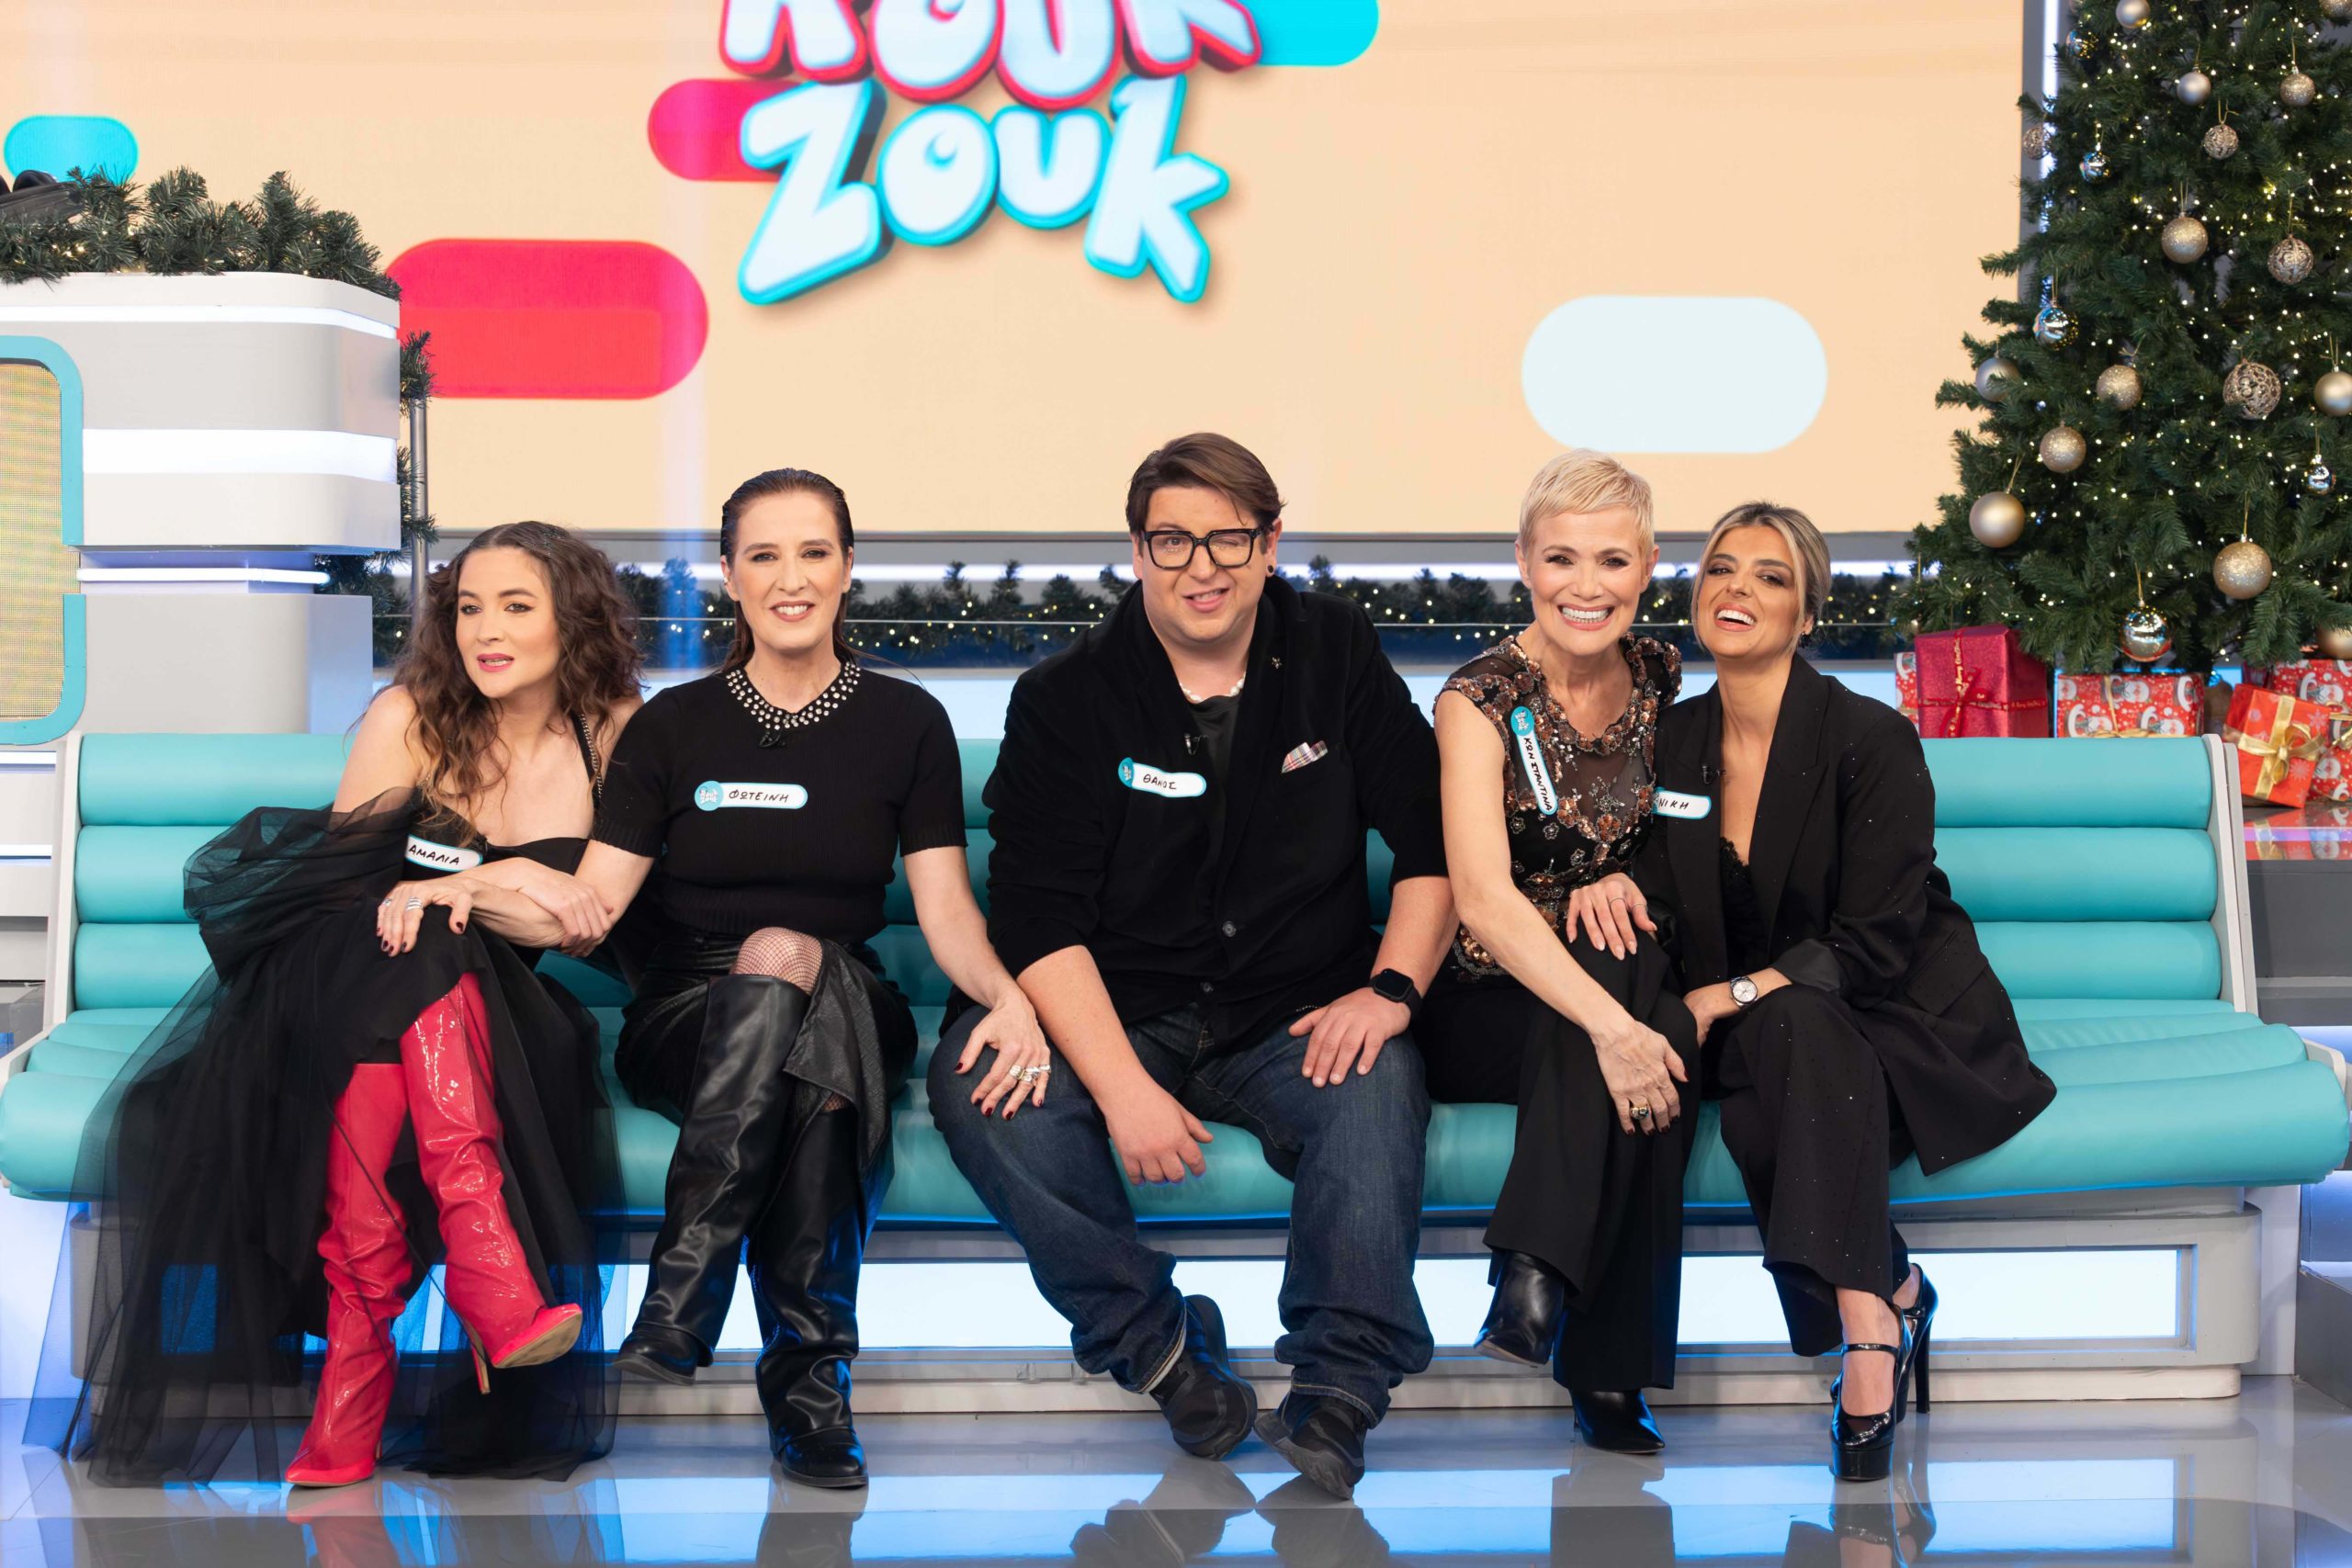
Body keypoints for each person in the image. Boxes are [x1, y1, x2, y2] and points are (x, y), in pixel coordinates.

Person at [44, 522, 641, 1486]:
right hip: (345, 978)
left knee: (432, 952)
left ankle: (355, 1385)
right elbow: (349, 897)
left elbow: (583, 923)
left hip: (500, 1015)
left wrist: (469, 884)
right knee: (415, 949)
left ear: (573, 620)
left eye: (516, 607)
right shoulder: (411, 713)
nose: (485, 630)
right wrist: (504, 885)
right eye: (468, 608)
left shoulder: (612, 730)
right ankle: (484, 1258)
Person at [928, 433, 1453, 1502]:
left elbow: (1432, 841)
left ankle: (1339, 1388)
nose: (1200, 567)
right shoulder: (1065, 696)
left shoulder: (1336, 652)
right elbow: (1037, 919)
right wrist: (1122, 1089)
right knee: (983, 1086)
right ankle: (1163, 1349)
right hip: (1122, 1009)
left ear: (1270, 544)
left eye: (1228, 539)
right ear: (1137, 550)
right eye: (1172, 540)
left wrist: (1390, 991)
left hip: (1290, 1010)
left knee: (1376, 1080)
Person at [565, 468, 1047, 1489]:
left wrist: (1008, 995)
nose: (791, 578)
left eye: (814, 552)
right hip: (687, 1014)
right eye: (764, 555)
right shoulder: (670, 726)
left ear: (848, 568)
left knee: (802, 973)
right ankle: (811, 1392)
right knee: (815, 1067)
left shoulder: (906, 721)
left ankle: (682, 1298)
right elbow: (596, 903)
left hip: (850, 988)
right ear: (729, 575)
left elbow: (946, 913)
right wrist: (468, 885)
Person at [1637, 502, 2055, 1481]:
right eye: (1721, 568)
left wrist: (1726, 994)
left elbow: (1873, 943)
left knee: (1795, 1026)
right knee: (1784, 1030)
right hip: (1768, 1028)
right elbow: (1659, 898)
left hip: (1894, 1011)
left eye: (1770, 577)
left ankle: (1867, 1329)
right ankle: (1894, 1290)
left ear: (1807, 614)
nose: (1737, 589)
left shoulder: (1870, 737)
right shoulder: (1669, 743)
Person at [1421, 450, 1695, 1454]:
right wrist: (1618, 1030)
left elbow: (1682, 839)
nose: (1588, 585)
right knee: (1648, 1031)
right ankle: (1605, 1366)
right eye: (1562, 559)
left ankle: (1533, 1275)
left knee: (1627, 954)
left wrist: (1626, 885)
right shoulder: (1477, 699)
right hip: (1488, 997)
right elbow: (1483, 901)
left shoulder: (1661, 674)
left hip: (1611, 970)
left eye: (1613, 561)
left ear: (1648, 567)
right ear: (1524, 563)